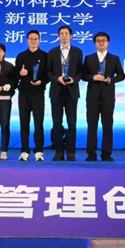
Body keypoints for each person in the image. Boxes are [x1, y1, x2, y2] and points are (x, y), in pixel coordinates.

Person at [82, 32, 125, 161]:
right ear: (95, 43)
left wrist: (110, 79)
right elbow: (83, 76)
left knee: (107, 125)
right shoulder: (89, 58)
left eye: (103, 40)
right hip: (92, 97)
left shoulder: (114, 58)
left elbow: (121, 75)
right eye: (98, 41)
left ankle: (106, 154)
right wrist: (93, 77)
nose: (101, 43)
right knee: (92, 126)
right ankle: (91, 154)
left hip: (108, 96)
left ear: (108, 43)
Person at [46, 25, 84, 161]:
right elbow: (48, 71)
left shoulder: (78, 52)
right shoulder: (52, 52)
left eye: (66, 33)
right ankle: (59, 152)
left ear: (71, 36)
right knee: (57, 123)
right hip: (56, 90)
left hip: (72, 91)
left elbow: (80, 71)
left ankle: (71, 152)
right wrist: (57, 79)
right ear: (58, 36)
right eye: (61, 33)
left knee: (72, 123)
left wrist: (74, 79)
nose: (64, 36)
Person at [14, 30, 48, 162]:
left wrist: (41, 82)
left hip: (38, 93)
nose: (33, 41)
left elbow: (49, 74)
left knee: (38, 123)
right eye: (31, 39)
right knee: (24, 123)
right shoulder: (21, 56)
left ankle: (39, 150)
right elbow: (14, 75)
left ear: (39, 40)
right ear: (27, 40)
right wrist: (20, 73)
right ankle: (24, 151)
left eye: (36, 39)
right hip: (24, 93)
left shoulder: (45, 56)